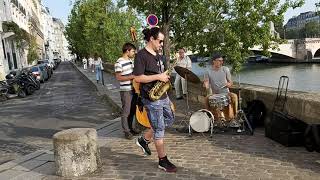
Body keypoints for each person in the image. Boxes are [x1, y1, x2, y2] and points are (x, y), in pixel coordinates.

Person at [133, 26, 177, 172]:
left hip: (162, 95)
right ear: (151, 39)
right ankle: (162, 161)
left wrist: (168, 98)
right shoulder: (141, 55)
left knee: (169, 120)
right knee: (159, 128)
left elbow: (162, 75)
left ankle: (143, 140)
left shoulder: (159, 55)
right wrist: (158, 77)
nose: (162, 44)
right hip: (151, 98)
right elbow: (138, 77)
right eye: (160, 41)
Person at [203, 53, 238, 123]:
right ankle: (210, 117)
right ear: (214, 61)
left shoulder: (225, 69)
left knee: (234, 96)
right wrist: (206, 85)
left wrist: (229, 84)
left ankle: (235, 116)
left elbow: (230, 82)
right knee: (206, 98)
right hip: (214, 93)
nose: (221, 62)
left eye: (222, 61)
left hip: (226, 92)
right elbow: (206, 82)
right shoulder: (208, 71)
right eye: (219, 60)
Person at [114, 43, 137, 139]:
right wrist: (131, 77)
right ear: (127, 51)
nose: (134, 53)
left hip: (133, 89)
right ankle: (126, 131)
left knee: (132, 110)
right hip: (126, 90)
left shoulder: (131, 61)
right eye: (132, 51)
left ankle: (131, 128)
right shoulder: (119, 63)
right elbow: (118, 77)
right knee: (126, 111)